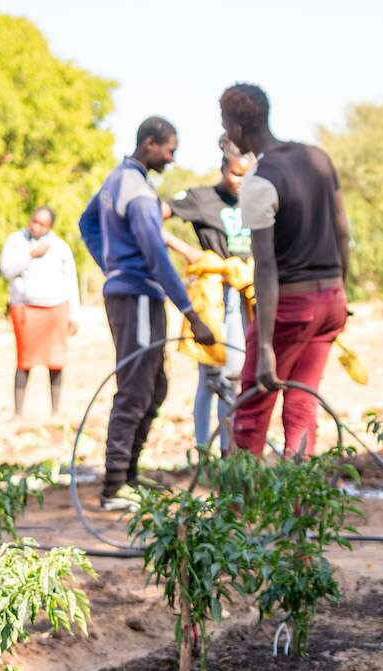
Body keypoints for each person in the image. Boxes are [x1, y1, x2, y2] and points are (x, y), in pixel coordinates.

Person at [80, 117, 215, 511]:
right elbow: (156, 256)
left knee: (155, 386)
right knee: (136, 388)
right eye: (170, 150)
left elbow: (86, 222)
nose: (172, 159)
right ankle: (114, 487)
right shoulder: (136, 191)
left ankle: (131, 476)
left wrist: (110, 264)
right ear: (150, 144)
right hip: (137, 296)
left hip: (134, 291)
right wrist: (191, 313)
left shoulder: (117, 179)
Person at [221, 83, 350, 458]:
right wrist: (343, 293)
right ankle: (300, 507)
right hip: (332, 301)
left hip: (293, 307)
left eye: (227, 126)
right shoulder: (318, 158)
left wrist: (263, 346)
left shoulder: (259, 184)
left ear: (238, 128)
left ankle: (236, 512)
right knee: (301, 404)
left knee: (253, 407)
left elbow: (265, 267)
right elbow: (343, 233)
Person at [163, 136, 254, 451]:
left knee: (235, 375)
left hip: (243, 293)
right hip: (213, 295)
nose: (241, 181)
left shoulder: (253, 201)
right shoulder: (201, 198)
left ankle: (228, 449)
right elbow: (152, 217)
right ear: (223, 168)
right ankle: (203, 448)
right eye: (236, 174)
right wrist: (188, 251)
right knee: (210, 373)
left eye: (248, 174)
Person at [0, 205, 80, 418]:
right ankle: (18, 413)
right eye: (34, 221)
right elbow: (7, 270)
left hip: (55, 309)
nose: (36, 226)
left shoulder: (60, 247)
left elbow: (71, 280)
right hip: (26, 309)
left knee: (55, 361)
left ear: (50, 226)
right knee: (24, 361)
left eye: (42, 224)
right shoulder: (16, 242)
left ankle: (55, 411)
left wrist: (74, 314)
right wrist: (30, 255)